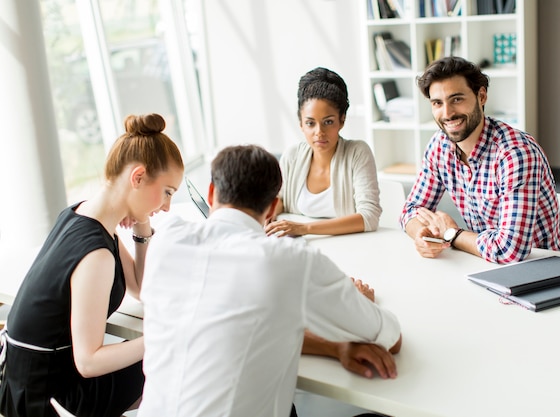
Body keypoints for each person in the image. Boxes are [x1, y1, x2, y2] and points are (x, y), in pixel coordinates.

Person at [138, 144, 402, 417]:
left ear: (211, 193)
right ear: (273, 207)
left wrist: (334, 347)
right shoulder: (287, 261)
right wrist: (357, 301)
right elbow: (391, 338)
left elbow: (237, 327)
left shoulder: (166, 241)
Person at [0, 113, 184, 417]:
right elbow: (89, 362)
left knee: (164, 360)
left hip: (28, 380)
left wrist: (142, 224)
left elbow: (141, 287)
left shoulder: (82, 215)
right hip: (49, 397)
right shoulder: (96, 253)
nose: (166, 206)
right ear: (137, 178)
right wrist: (162, 337)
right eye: (167, 192)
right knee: (172, 357)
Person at [400, 56, 560, 264]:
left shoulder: (515, 154)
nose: (447, 113)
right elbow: (410, 210)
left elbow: (510, 251)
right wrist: (422, 235)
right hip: (486, 264)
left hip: (545, 270)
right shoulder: (440, 146)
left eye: (457, 99)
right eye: (437, 103)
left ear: (481, 96)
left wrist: (452, 235)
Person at [265, 66, 382, 237]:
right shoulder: (292, 155)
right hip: (302, 249)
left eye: (328, 122)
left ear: (342, 120)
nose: (319, 132)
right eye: (310, 123)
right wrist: (268, 215)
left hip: (351, 247)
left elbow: (369, 217)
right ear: (300, 123)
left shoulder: (358, 152)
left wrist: (305, 229)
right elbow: (280, 199)